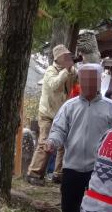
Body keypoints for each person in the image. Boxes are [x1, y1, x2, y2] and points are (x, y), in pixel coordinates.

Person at [47, 62, 112, 212]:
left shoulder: (110, 107)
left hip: (100, 166)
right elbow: (58, 129)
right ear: (80, 81)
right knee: (69, 204)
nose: (88, 84)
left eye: (92, 80)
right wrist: (52, 142)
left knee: (102, 205)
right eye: (84, 80)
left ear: (98, 82)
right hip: (73, 163)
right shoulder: (69, 106)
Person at [28, 45, 78, 185]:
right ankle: (34, 173)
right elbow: (54, 84)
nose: (68, 57)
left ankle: (58, 173)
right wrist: (67, 70)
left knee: (63, 144)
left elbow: (79, 80)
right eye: (65, 56)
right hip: (47, 114)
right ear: (58, 58)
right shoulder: (50, 70)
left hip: (62, 113)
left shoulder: (71, 70)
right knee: (45, 143)